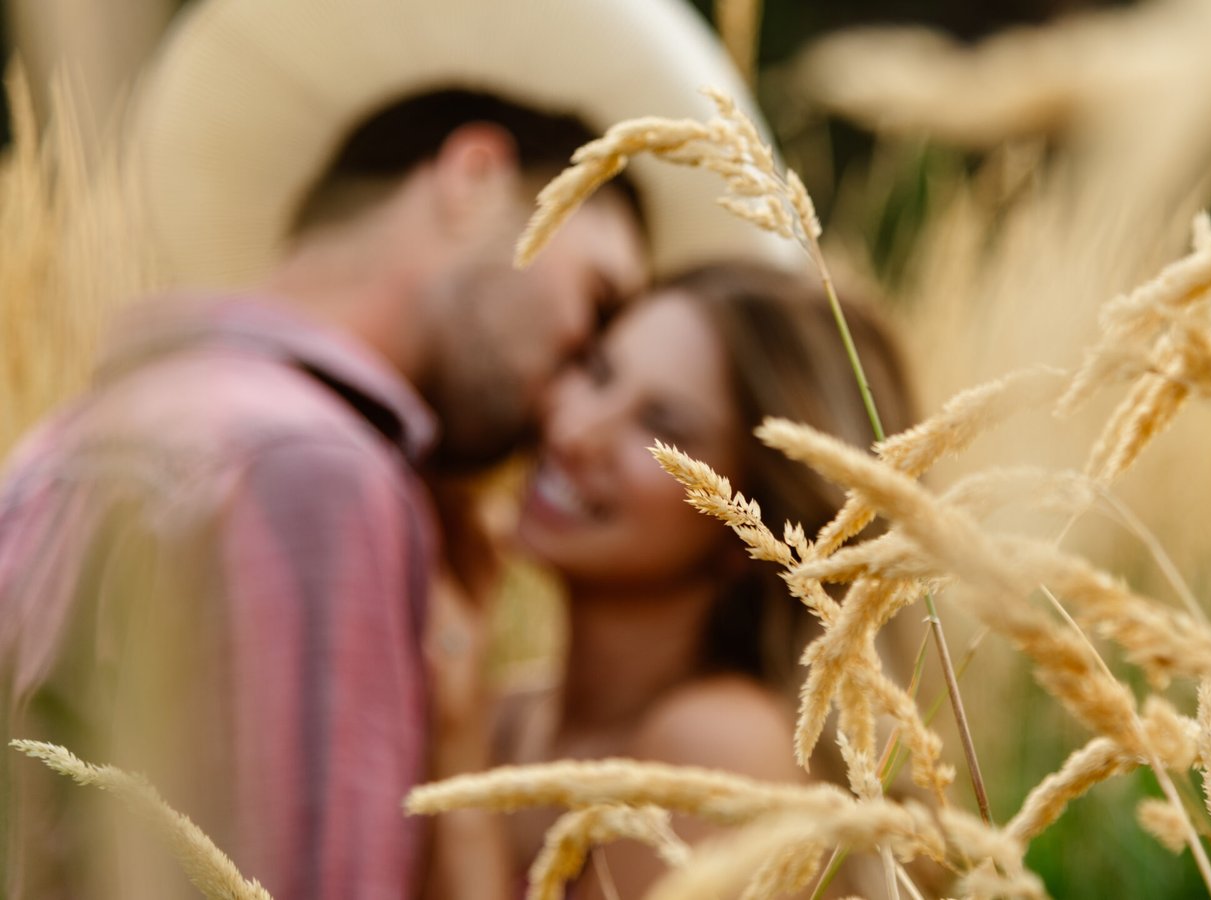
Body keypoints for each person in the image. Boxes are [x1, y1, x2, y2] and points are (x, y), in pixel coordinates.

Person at [0, 0, 791, 897]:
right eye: (599, 309)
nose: (564, 403)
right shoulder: (310, 474)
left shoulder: (71, 441)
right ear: (474, 176)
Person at [427, 262, 918, 900]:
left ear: (751, 529)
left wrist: (458, 761)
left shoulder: (721, 747)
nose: (574, 431)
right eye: (597, 372)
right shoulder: (509, 715)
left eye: (662, 429)